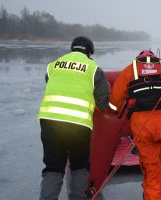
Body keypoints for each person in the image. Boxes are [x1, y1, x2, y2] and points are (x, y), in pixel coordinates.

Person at [109, 50, 161, 200]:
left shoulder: (129, 70)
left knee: (152, 167)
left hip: (144, 124)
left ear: (139, 59)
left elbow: (114, 103)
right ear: (155, 58)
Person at [38, 36, 109, 200]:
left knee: (53, 168)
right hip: (78, 124)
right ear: (89, 52)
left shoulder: (53, 65)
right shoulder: (93, 68)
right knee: (79, 166)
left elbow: (51, 84)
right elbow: (103, 102)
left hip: (49, 122)